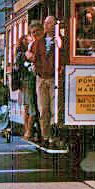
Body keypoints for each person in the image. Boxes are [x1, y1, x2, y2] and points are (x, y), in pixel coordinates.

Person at [27, 16, 64, 147]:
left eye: (50, 23)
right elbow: (32, 56)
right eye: (46, 23)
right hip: (41, 78)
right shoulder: (39, 41)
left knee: (55, 108)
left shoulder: (59, 40)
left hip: (54, 78)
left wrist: (59, 44)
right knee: (43, 108)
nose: (47, 26)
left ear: (55, 25)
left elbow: (64, 56)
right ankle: (45, 135)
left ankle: (55, 134)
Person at [16, 28, 39, 140]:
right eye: (29, 40)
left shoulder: (19, 54)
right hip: (29, 81)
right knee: (32, 109)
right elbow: (33, 60)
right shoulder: (25, 54)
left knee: (26, 108)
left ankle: (27, 131)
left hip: (24, 82)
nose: (31, 41)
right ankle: (28, 131)